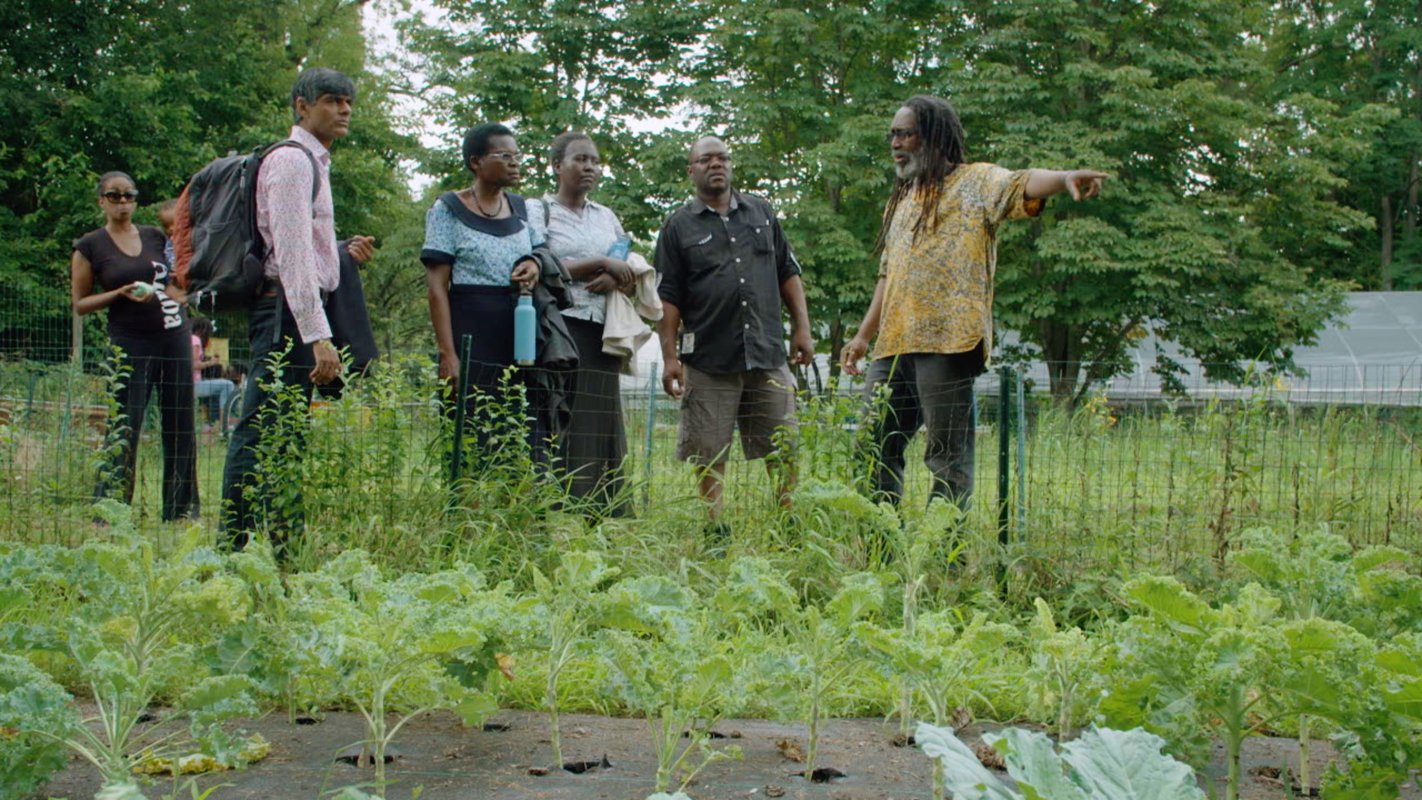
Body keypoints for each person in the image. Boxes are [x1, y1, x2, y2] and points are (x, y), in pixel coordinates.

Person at [840, 94, 1107, 507]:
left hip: (949, 342)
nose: (894, 143)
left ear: (932, 136)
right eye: (891, 134)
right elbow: (887, 276)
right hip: (892, 346)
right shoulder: (902, 200)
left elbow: (1021, 182)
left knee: (946, 458)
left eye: (904, 133)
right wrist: (862, 338)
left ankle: (943, 555)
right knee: (874, 450)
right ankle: (883, 553)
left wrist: (1065, 176)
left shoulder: (976, 182)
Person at [220, 67, 375, 552]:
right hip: (285, 313)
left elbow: (306, 245)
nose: (344, 110)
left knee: (286, 430)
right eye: (332, 100)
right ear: (302, 107)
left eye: (348, 101)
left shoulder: (315, 163)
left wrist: (340, 251)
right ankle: (235, 545)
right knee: (262, 427)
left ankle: (283, 540)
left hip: (293, 311)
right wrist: (318, 334)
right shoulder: (292, 162)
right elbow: (288, 254)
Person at [654, 136, 814, 525]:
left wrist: (802, 330)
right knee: (708, 450)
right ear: (691, 170)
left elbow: (787, 274)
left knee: (783, 444)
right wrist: (670, 357)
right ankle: (716, 528)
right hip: (709, 357)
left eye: (723, 157)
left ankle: (786, 521)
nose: (716, 164)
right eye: (705, 159)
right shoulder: (677, 227)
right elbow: (668, 297)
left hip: (766, 353)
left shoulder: (761, 213)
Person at [421, 123, 549, 473]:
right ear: (476, 162)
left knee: (519, 427)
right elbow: (436, 287)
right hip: (469, 333)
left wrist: (533, 263)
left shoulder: (522, 209)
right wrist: (448, 354)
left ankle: (517, 514)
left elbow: (541, 252)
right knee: (470, 430)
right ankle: (466, 516)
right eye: (504, 156)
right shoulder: (447, 209)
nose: (515, 163)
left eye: (517, 156)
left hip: (519, 332)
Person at [71, 172, 198, 520]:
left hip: (173, 333)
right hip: (129, 340)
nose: (123, 202)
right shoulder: (90, 246)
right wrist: (118, 293)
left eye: (129, 195)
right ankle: (111, 509)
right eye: (114, 196)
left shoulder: (155, 236)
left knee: (180, 420)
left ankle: (181, 509)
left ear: (136, 200)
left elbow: (172, 283)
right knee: (125, 422)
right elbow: (79, 303)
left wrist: (185, 296)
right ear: (102, 201)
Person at [537, 131, 638, 515]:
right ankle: (558, 503)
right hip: (561, 328)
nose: (590, 167)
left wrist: (615, 274)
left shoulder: (606, 216)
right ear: (557, 166)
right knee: (560, 414)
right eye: (580, 159)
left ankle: (603, 507)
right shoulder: (539, 211)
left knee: (602, 418)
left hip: (602, 329)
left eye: (595, 161)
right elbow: (541, 264)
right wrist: (599, 264)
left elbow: (622, 254)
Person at [190, 317, 235, 432]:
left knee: (217, 388)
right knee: (227, 385)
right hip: (192, 384)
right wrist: (211, 362)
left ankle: (212, 423)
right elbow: (193, 364)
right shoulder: (195, 340)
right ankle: (224, 422)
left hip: (185, 382)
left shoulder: (186, 338)